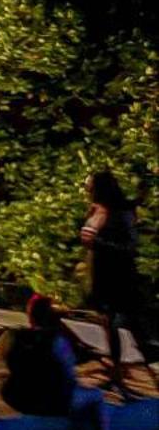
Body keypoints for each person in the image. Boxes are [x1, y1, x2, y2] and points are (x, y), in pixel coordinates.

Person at [81, 170, 145, 397]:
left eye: (90, 187)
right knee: (107, 324)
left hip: (118, 274)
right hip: (99, 273)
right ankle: (116, 374)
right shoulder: (95, 209)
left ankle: (145, 371)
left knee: (130, 324)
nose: (87, 191)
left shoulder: (122, 213)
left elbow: (130, 246)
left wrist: (98, 242)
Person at [0, 294, 105, 422]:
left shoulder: (12, 336)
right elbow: (68, 375)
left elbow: (1, 365)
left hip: (18, 399)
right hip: (51, 402)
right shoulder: (58, 341)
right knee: (96, 395)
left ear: (30, 315)